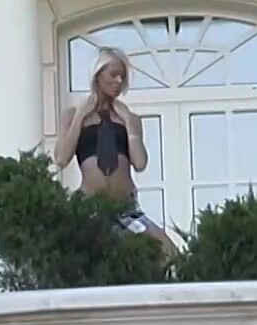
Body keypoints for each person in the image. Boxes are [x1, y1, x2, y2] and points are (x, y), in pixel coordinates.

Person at [54, 47, 178, 258]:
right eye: (113, 75)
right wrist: (80, 117)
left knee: (168, 252)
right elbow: (61, 158)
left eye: (123, 76)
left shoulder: (130, 118)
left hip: (126, 209)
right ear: (98, 75)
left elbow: (140, 163)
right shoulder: (73, 115)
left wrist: (129, 123)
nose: (119, 81)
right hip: (90, 207)